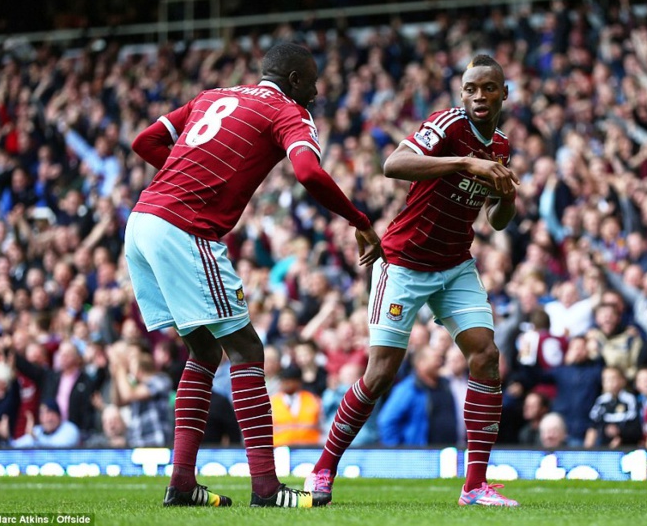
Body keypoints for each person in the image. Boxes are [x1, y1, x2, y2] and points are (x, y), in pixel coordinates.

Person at [125, 42, 382, 509]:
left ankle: (181, 484)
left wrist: (187, 175)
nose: (318, 90)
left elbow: (144, 142)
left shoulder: (210, 95)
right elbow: (307, 172)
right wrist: (360, 220)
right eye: (314, 81)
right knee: (246, 348)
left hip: (141, 221)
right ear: (296, 80)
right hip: (183, 228)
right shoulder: (289, 112)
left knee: (203, 349)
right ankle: (266, 487)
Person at [305, 55, 520, 507]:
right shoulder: (447, 126)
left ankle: (475, 486)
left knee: (485, 355)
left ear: (504, 93)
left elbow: (497, 221)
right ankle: (323, 468)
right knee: (380, 373)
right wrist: (467, 164)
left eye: (488, 88)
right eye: (470, 88)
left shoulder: (500, 145)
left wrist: (506, 196)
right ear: (462, 94)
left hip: (455, 264)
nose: (479, 96)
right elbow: (393, 164)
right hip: (403, 262)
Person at [269, 365, 322, 446]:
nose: (285, 384)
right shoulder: (272, 402)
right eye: (283, 381)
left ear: (298, 382)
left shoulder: (313, 400)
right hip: (280, 450)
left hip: (310, 450)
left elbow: (322, 426)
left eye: (289, 381)